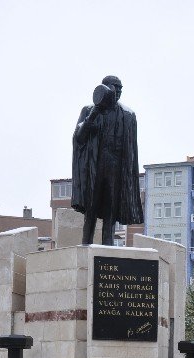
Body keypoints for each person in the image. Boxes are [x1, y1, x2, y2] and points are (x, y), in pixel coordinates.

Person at [71, 75, 143, 246]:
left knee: (111, 214)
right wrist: (94, 114)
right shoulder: (89, 110)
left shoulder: (128, 115)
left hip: (116, 170)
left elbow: (131, 150)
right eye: (114, 88)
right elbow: (79, 138)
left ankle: (108, 249)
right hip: (94, 169)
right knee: (91, 210)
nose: (118, 92)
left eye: (120, 89)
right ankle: (86, 246)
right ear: (104, 89)